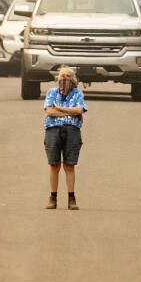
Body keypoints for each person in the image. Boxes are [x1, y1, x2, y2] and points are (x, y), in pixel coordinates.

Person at [44, 66, 86, 210]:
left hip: (72, 131)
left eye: (68, 76)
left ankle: (71, 198)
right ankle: (53, 197)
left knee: (69, 165)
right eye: (62, 76)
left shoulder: (78, 93)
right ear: (57, 78)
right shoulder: (51, 92)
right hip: (53, 130)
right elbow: (49, 111)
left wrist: (60, 109)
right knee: (54, 165)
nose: (64, 78)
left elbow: (80, 110)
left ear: (73, 79)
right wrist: (70, 113)